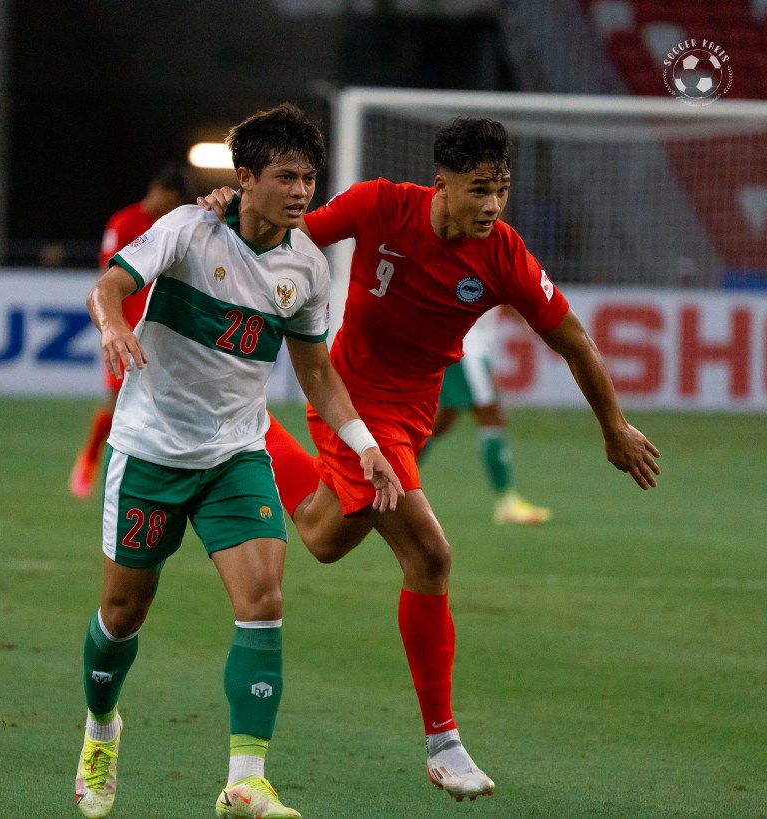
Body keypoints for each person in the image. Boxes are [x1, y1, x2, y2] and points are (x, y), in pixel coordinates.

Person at [200, 116, 660, 802]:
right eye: (480, 189)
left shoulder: (503, 254)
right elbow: (286, 234)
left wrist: (614, 426)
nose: (493, 204)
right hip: (350, 399)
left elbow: (574, 339)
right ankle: (443, 743)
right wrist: (229, 211)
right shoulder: (381, 204)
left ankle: (253, 429)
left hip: (412, 414)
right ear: (442, 183)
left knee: (324, 537)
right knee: (430, 554)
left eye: (502, 188)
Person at [73, 103, 403, 819]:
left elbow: (315, 372)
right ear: (245, 179)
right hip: (151, 451)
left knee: (263, 602)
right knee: (122, 613)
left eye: (309, 177)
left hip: (235, 454)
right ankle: (101, 728)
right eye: (285, 176)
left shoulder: (307, 267)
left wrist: (366, 445)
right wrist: (115, 325)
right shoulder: (189, 229)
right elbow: (107, 287)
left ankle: (245, 780)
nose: (301, 191)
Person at [68, 162, 194, 498]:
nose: (170, 208)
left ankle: (159, 475)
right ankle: (91, 458)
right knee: (118, 403)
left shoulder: (172, 227)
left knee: (162, 405)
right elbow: (106, 278)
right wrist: (113, 323)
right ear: (158, 190)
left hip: (162, 328)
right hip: (125, 330)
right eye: (170, 201)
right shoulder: (124, 223)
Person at [419, 306, 552, 525]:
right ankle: (507, 502)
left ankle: (390, 475)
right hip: (467, 348)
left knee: (441, 421)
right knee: (492, 417)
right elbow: (509, 297)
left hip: (465, 343)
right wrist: (534, 324)